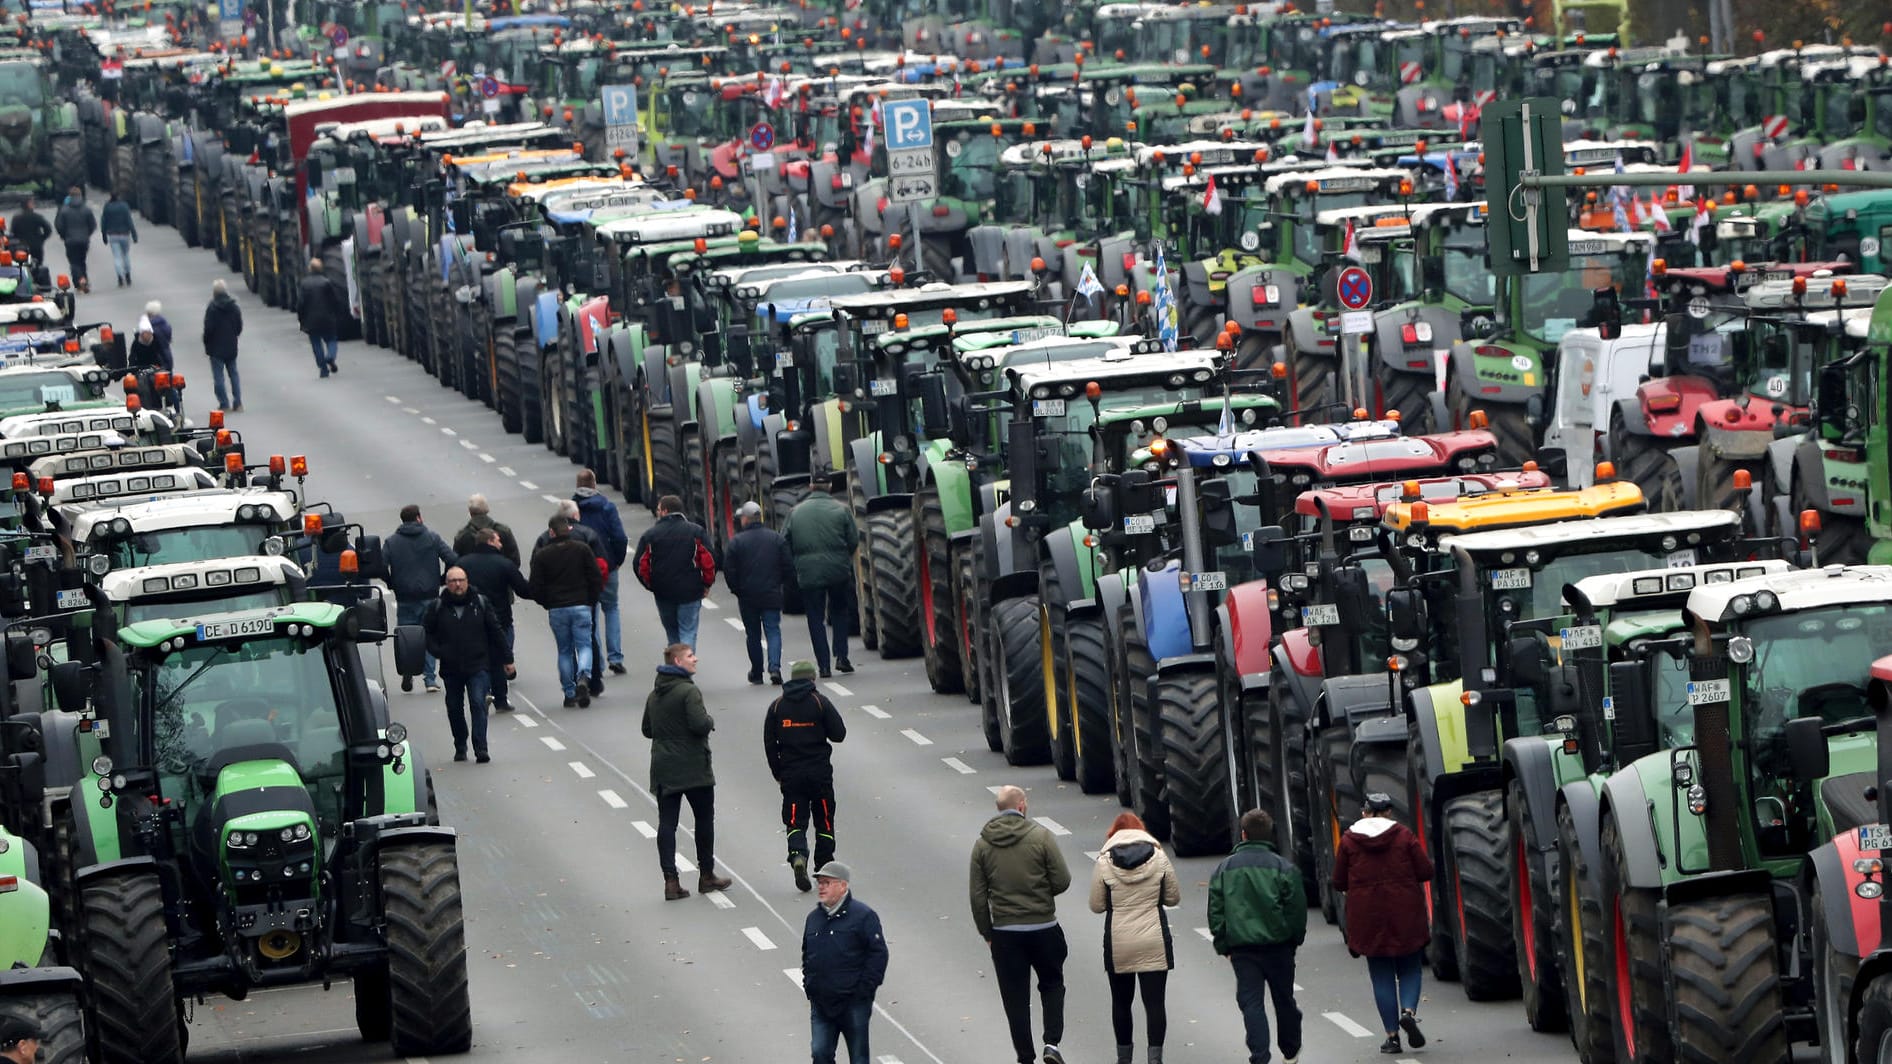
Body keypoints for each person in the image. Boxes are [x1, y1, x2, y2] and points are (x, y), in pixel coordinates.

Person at [970, 784, 1073, 1064]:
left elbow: (978, 896)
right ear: (1023, 805)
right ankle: (1051, 1043)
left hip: (1006, 933)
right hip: (1043, 927)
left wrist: (987, 932)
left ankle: (1025, 1057)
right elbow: (1062, 880)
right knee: (1052, 983)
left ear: (999, 808)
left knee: (1014, 998)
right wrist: (1040, 894)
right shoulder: (1041, 837)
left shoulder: (982, 845)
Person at [1332, 792, 1432, 1056]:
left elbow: (1339, 880)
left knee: (1381, 974)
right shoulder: (1404, 836)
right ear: (1388, 812)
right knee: (1410, 967)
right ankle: (1408, 1011)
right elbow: (1425, 871)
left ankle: (1392, 1036)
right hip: (1405, 912)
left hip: (1368, 917)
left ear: (1365, 812)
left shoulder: (1349, 841)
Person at [1209, 808, 1308, 1064]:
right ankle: (1290, 1049)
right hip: (1279, 947)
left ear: (1243, 834)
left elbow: (1216, 911)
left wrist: (1224, 945)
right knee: (1284, 999)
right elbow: (1296, 910)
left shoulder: (1225, 869)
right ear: (1270, 835)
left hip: (1242, 949)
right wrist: (1294, 939)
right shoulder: (1283, 868)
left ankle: (1260, 1055)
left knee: (1251, 1003)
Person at [642, 643, 733, 900]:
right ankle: (706, 875)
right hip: (694, 766)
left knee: (667, 823)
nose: (696, 659)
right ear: (678, 662)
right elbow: (698, 723)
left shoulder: (654, 694)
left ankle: (671, 881)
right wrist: (710, 721)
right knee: (703, 819)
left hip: (664, 767)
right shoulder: (688, 692)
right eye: (691, 656)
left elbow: (647, 729)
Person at [1090, 812, 1181, 1064]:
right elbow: (1173, 897)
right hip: (1154, 938)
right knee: (1154, 1002)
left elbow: (1096, 905)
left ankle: (1124, 1058)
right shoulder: (1159, 858)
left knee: (1121, 1002)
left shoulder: (1105, 862)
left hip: (1119, 941)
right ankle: (1155, 1058)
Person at [764, 660, 848, 891]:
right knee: (824, 822)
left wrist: (778, 772)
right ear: (812, 679)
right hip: (820, 776)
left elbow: (770, 744)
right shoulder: (820, 702)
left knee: (794, 822)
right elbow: (839, 734)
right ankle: (825, 868)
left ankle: (798, 855)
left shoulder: (776, 707)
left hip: (791, 776)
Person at [421, 566, 513, 763]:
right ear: (447, 584)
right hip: (451, 667)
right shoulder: (437, 607)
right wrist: (438, 651)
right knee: (454, 707)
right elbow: (426, 632)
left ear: (467, 581)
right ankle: (460, 744)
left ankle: (481, 747)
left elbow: (495, 630)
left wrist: (508, 659)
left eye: (461, 580)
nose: (457, 584)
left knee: (478, 703)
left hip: (478, 665)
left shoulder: (480, 603)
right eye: (453, 581)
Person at [802, 861, 888, 1064]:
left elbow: (878, 955)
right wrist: (810, 986)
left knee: (858, 1058)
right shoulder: (813, 919)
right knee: (820, 1053)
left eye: (826, 882)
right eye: (820, 883)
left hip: (853, 1003)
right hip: (822, 1004)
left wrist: (863, 992)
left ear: (843, 886)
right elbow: (807, 954)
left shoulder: (863, 916)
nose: (821, 887)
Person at [783, 475, 859, 678]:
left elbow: (784, 541)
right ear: (830, 486)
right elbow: (853, 539)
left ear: (810, 486)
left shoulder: (795, 512)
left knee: (815, 618)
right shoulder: (842, 510)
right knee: (840, 612)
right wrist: (843, 559)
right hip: (838, 571)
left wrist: (796, 564)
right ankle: (842, 657)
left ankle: (824, 665)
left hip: (808, 573)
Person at [528, 514, 602, 707]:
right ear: (569, 529)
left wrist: (547, 602)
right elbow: (595, 577)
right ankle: (584, 676)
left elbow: (535, 585)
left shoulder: (543, 555)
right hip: (581, 605)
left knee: (564, 650)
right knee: (584, 645)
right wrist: (591, 600)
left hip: (557, 608)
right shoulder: (582, 549)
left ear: (551, 532)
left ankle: (569, 692)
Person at [457, 527, 532, 713]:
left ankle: (482, 692)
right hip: (499, 618)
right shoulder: (504, 564)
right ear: (490, 541)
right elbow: (522, 588)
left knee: (478, 660)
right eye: (498, 540)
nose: (501, 543)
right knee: (498, 659)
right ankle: (501, 699)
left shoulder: (464, 563)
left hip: (471, 619)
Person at [385, 504, 457, 694]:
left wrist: (391, 581)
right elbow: (451, 558)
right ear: (418, 518)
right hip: (430, 595)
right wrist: (441, 579)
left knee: (406, 636)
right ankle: (430, 679)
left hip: (404, 596)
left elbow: (380, 564)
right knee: (429, 634)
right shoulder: (432, 538)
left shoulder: (392, 542)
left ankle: (407, 671)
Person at [632, 493, 715, 649]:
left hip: (663, 592)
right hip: (690, 591)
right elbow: (708, 560)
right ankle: (685, 668)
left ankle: (675, 667)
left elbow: (640, 564)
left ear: (664, 511)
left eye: (658, 510)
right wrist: (706, 584)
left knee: (672, 634)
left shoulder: (651, 535)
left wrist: (651, 585)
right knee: (688, 632)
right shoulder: (695, 532)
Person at [724, 499, 792, 684]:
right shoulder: (775, 538)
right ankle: (775, 668)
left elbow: (729, 570)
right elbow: (787, 565)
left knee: (752, 634)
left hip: (747, 596)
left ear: (745, 519)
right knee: (773, 631)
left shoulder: (737, 542)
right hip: (771, 593)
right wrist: (779, 584)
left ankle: (756, 671)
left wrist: (737, 590)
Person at [574, 469, 629, 675]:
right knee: (611, 608)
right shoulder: (607, 507)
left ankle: (596, 662)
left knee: (590, 615)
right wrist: (615, 561)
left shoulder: (572, 508)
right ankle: (615, 656)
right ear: (594, 484)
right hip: (607, 565)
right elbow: (620, 537)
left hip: (582, 570)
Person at [297, 258, 347, 377]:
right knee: (332, 340)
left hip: (311, 320)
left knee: (316, 344)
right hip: (327, 318)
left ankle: (323, 369)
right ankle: (330, 356)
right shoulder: (326, 283)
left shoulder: (304, 284)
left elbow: (300, 304)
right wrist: (337, 314)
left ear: (310, 268)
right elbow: (334, 300)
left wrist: (301, 319)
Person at [203, 280, 244, 412]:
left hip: (216, 347)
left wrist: (207, 343)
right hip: (231, 345)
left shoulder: (212, 308)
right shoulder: (234, 307)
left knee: (218, 376)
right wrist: (234, 335)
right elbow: (239, 326)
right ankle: (238, 403)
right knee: (234, 374)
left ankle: (224, 403)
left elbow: (208, 329)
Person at [453, 493, 520, 565]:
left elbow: (455, 563)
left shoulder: (462, 536)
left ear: (470, 511)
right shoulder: (504, 531)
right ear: (487, 509)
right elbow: (515, 560)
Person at [53, 185, 93, 292]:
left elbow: (59, 225)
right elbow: (92, 224)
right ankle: (84, 280)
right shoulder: (86, 209)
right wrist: (87, 234)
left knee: (74, 262)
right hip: (84, 240)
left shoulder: (64, 210)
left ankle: (80, 280)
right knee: (82, 260)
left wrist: (63, 235)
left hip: (70, 240)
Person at [101, 190, 137, 286]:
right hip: (125, 234)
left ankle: (120, 277)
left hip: (113, 235)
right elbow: (129, 220)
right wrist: (134, 234)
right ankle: (128, 275)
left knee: (117, 257)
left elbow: (103, 222)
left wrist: (104, 235)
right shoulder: (124, 206)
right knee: (125, 255)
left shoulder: (107, 207)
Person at [10, 195, 50, 268]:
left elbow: (12, 233)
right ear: (28, 204)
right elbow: (48, 229)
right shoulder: (36, 217)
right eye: (32, 203)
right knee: (38, 266)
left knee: (23, 267)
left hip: (22, 247)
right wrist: (41, 239)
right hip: (36, 246)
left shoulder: (16, 218)